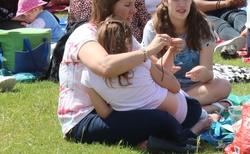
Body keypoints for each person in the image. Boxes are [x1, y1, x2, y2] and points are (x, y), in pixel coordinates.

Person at [59, 0, 193, 150]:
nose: (134, 11)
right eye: (127, 5)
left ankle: (161, 139)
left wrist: (171, 51)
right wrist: (148, 51)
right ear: (108, 5)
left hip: (118, 106)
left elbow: (156, 70)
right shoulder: (85, 34)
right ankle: (174, 140)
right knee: (162, 120)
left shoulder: (123, 33)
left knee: (191, 108)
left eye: (134, 4)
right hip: (85, 118)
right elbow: (104, 66)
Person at [81, 16, 212, 145]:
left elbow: (105, 112)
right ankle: (196, 129)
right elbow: (175, 87)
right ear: (127, 41)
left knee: (159, 121)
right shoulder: (141, 62)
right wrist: (169, 60)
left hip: (143, 121)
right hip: (180, 113)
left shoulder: (87, 75)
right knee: (192, 107)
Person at [142, 0, 233, 114]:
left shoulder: (202, 26)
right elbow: (150, 71)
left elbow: (209, 74)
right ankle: (207, 108)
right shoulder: (153, 28)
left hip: (194, 89)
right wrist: (167, 62)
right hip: (164, 88)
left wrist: (203, 73)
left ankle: (180, 108)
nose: (182, 4)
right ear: (164, 1)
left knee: (224, 86)